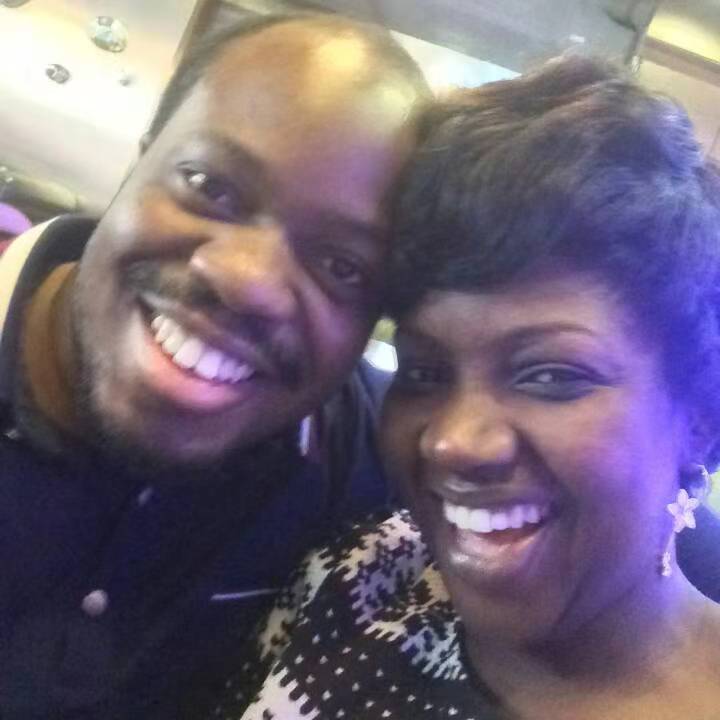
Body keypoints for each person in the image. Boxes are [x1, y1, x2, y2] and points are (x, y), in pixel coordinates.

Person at [212, 56, 720, 719]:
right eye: (424, 373)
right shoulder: (359, 579)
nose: (453, 442)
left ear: (700, 419)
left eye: (551, 376)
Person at [0, 12, 430, 719]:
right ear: (138, 161)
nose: (250, 283)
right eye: (209, 186)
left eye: (342, 266)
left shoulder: (364, 455)